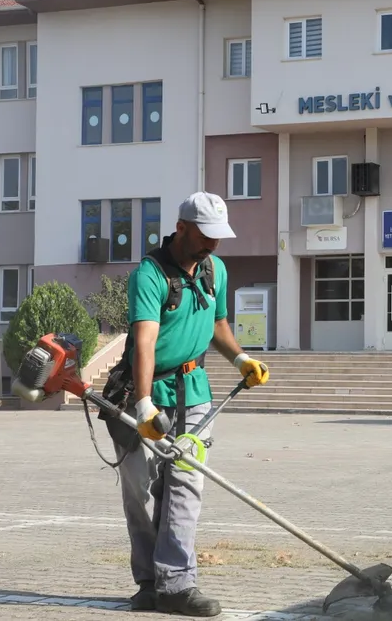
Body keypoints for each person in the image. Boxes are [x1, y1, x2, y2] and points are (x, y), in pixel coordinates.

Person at [112, 191, 269, 616]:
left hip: (194, 394)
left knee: (185, 488)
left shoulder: (215, 268)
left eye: (219, 237)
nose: (214, 245)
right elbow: (144, 339)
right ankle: (149, 584)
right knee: (141, 494)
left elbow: (217, 322)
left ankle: (178, 584)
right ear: (181, 228)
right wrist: (143, 403)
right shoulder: (149, 274)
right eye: (206, 235)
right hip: (140, 396)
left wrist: (240, 358)